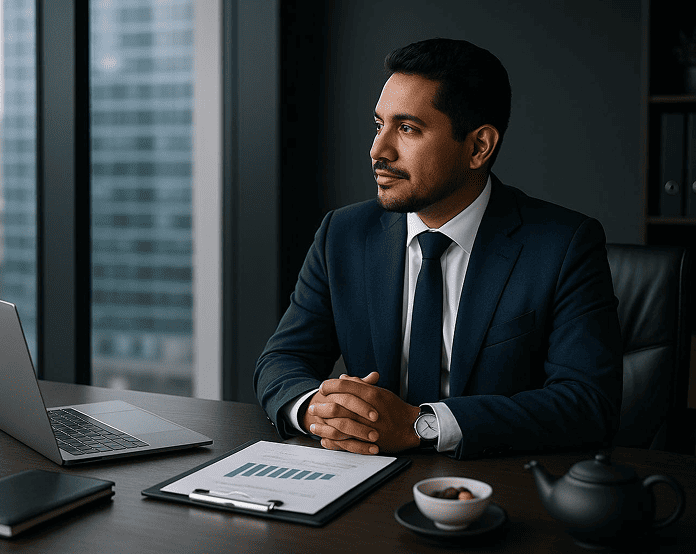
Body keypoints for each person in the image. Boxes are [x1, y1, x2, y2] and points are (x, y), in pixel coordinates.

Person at [254, 37, 622, 460]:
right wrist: (318, 410)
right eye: (379, 125)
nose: (378, 150)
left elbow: (589, 402)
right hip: (363, 480)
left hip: (496, 488)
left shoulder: (564, 245)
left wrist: (421, 425)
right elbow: (282, 358)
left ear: (478, 147)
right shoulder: (343, 233)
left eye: (407, 129)